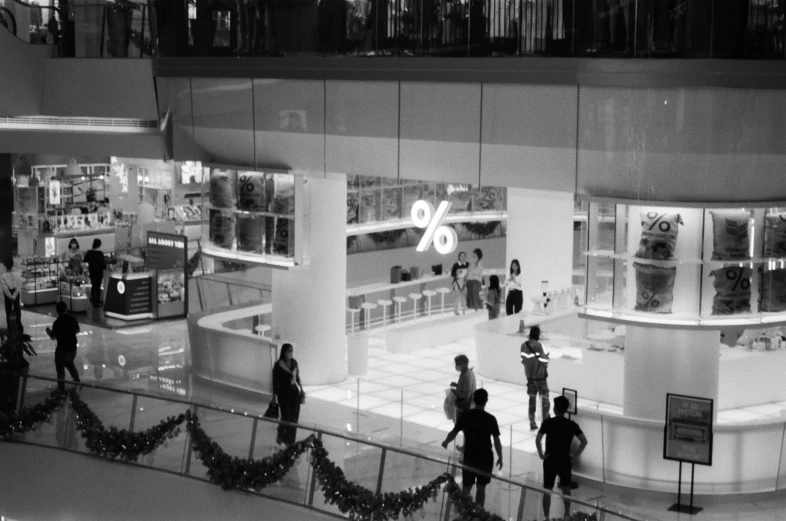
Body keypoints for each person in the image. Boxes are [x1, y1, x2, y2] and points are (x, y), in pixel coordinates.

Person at [441, 389, 503, 507]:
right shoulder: (491, 419)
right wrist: (500, 457)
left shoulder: (466, 416)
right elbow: (496, 441)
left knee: (466, 488)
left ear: (473, 400)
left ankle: (464, 513)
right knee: (481, 489)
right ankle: (479, 514)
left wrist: (445, 442)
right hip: (485, 459)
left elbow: (454, 432)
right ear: (486, 401)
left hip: (470, 457)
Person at [536, 396, 588, 519]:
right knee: (566, 490)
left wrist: (541, 455)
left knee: (547, 490)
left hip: (550, 460)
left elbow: (538, 439)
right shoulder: (571, 424)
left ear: (555, 408)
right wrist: (574, 456)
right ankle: (566, 514)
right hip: (565, 460)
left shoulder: (548, 422)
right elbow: (584, 441)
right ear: (565, 409)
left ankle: (547, 517)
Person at [272, 343, 305, 446]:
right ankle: (281, 434)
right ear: (284, 352)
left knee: (294, 418)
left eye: (292, 351)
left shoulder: (294, 363)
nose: (290, 353)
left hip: (294, 393)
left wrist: (302, 391)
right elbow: (275, 381)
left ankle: (290, 441)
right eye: (288, 351)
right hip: (283, 393)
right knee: (286, 416)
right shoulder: (278, 365)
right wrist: (274, 396)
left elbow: (297, 378)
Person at [45, 302, 81, 391]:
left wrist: (48, 330)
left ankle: (61, 388)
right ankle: (77, 381)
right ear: (66, 309)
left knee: (60, 370)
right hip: (72, 349)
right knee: (70, 364)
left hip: (61, 349)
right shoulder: (72, 319)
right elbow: (78, 330)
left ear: (57, 311)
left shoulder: (57, 323)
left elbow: (53, 337)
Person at [521, 325, 550, 430]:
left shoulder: (523, 346)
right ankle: (546, 422)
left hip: (530, 378)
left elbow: (523, 361)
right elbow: (545, 361)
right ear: (538, 335)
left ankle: (532, 422)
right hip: (540, 378)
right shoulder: (540, 346)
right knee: (544, 400)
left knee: (532, 400)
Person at [450, 354, 476, 422]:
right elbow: (465, 387)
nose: (456, 365)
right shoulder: (465, 372)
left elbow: (466, 395)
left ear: (465, 364)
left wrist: (455, 391)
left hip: (465, 405)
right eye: (456, 363)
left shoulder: (466, 376)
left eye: (458, 364)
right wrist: (457, 385)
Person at [83, 239, 107, 307]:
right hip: (99, 272)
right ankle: (98, 301)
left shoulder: (89, 252)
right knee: (98, 287)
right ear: (99, 245)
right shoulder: (100, 253)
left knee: (93, 286)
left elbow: (85, 260)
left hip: (92, 271)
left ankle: (93, 300)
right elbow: (103, 264)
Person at [1, 258, 23, 330]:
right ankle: (19, 325)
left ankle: (9, 327)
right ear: (12, 264)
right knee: (17, 310)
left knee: (8, 310)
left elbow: (5, 289)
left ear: (5, 265)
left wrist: (10, 296)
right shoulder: (18, 274)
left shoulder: (3, 276)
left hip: (8, 295)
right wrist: (14, 296)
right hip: (16, 293)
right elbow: (19, 286)